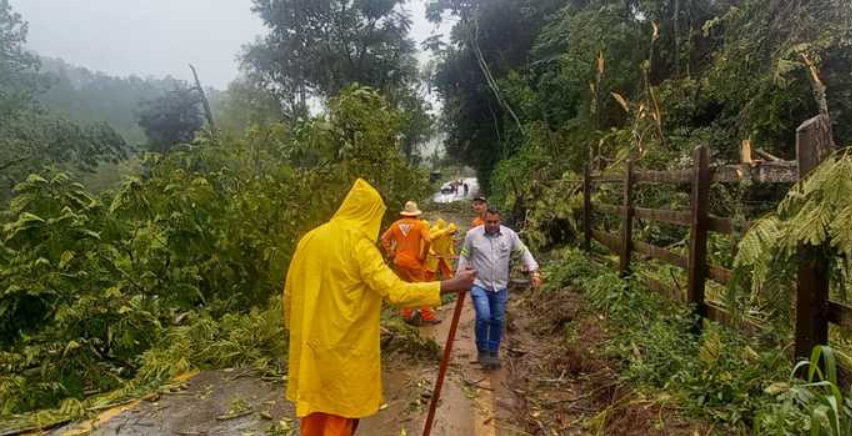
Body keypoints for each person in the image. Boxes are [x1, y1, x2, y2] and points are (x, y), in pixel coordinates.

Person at [284, 179, 476, 436]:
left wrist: (295, 333)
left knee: (314, 417)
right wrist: (449, 285)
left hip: (310, 349)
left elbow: (290, 294)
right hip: (344, 353)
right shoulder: (359, 247)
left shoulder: (309, 239)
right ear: (370, 214)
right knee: (340, 416)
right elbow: (396, 292)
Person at [457, 207, 543, 369]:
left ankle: (493, 353)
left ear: (500, 221)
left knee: (498, 319)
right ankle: (482, 350)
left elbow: (523, 251)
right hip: (479, 284)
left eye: (495, 222)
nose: (492, 225)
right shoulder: (472, 235)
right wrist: (460, 277)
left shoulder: (509, 235)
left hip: (500, 286)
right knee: (483, 316)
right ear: (484, 221)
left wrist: (533, 270)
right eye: (489, 222)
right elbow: (464, 255)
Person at [380, 201, 439, 325]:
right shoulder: (420, 225)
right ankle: (427, 315)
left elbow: (383, 238)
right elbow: (428, 240)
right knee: (422, 288)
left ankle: (406, 314)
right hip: (414, 263)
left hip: (399, 262)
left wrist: (391, 252)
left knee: (406, 288)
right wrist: (423, 255)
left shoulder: (396, 224)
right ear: (416, 213)